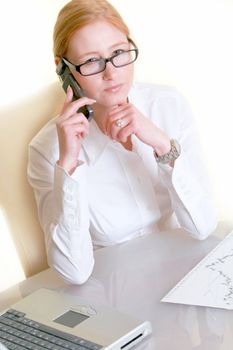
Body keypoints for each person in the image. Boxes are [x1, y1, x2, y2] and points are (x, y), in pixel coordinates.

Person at [27, 0, 217, 284]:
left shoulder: (168, 105)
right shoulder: (47, 150)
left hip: (189, 277)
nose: (111, 72)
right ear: (63, 70)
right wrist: (69, 164)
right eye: (91, 61)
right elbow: (73, 272)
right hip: (118, 294)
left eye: (118, 52)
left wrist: (161, 144)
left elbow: (202, 226)